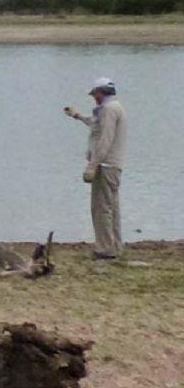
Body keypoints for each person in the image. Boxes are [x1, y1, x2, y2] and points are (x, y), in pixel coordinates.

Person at [64, 77, 128, 260]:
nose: (94, 97)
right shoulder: (113, 108)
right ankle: (114, 245)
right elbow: (95, 124)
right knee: (111, 207)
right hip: (112, 165)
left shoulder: (109, 110)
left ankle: (105, 248)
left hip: (105, 165)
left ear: (102, 92)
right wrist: (77, 115)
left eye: (95, 94)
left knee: (101, 208)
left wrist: (93, 165)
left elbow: (104, 140)